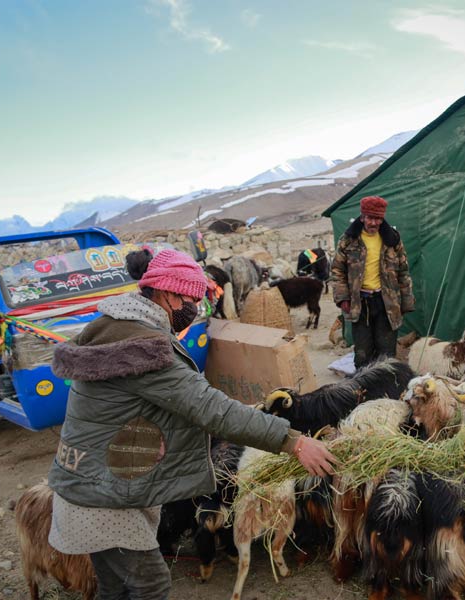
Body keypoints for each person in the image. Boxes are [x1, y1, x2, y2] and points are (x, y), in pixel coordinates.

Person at [46, 248, 337, 599]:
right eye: (192, 299)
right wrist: (296, 442)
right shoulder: (142, 347)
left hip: (87, 479)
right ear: (168, 294)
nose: (196, 308)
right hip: (103, 495)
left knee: (114, 586)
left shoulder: (119, 327)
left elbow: (177, 401)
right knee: (149, 584)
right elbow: (211, 410)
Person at [332, 195, 415, 369]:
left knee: (386, 353)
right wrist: (343, 298)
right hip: (360, 303)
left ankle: (386, 389)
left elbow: (403, 271)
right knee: (363, 354)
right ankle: (363, 391)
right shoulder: (348, 240)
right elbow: (337, 270)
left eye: (378, 218)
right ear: (362, 217)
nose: (373, 223)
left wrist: (406, 302)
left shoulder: (392, 240)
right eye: (370, 218)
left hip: (387, 303)